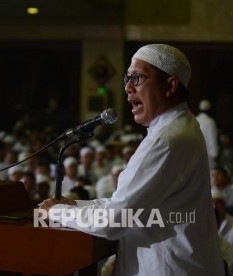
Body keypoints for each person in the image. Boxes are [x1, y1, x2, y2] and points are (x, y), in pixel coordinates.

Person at [39, 44, 224, 274]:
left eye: (137, 78)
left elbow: (114, 220)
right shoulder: (180, 127)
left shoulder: (166, 140)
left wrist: (56, 212)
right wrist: (74, 205)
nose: (127, 88)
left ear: (170, 86)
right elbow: (127, 205)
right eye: (127, 78)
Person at [196, 99, 219, 168]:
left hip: (196, 155)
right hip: (208, 156)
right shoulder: (210, 122)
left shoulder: (195, 119)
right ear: (209, 110)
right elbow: (212, 139)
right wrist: (215, 155)